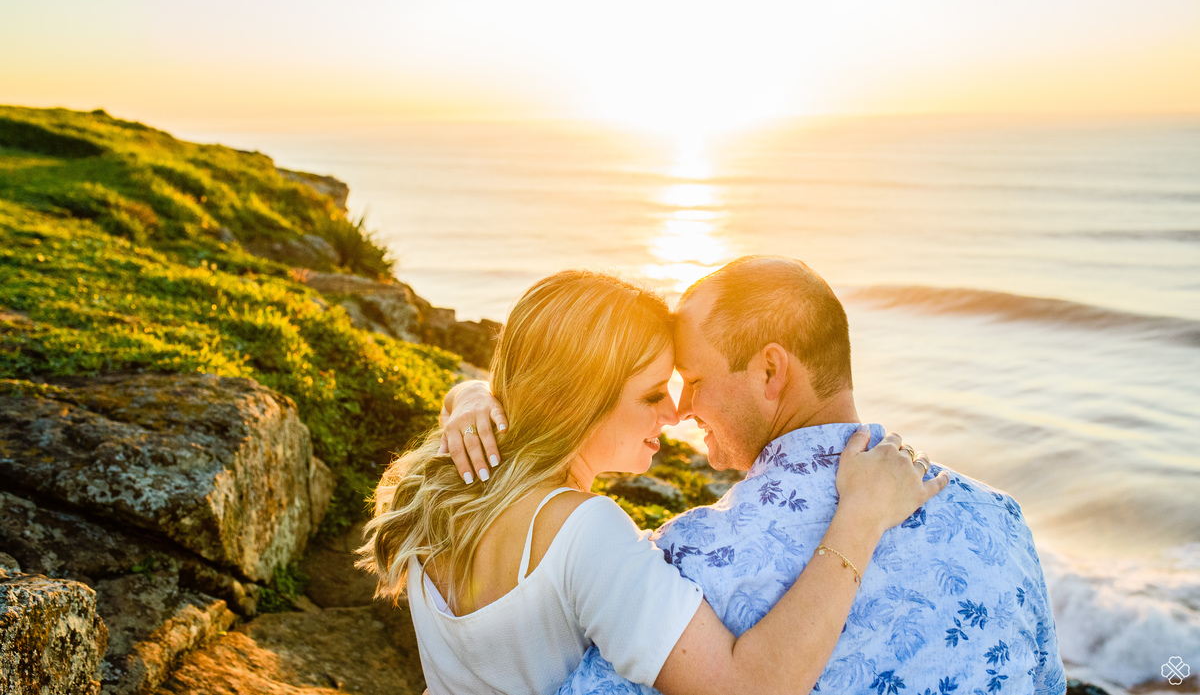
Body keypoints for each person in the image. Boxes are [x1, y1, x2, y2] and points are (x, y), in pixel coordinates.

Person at [447, 257, 1066, 695]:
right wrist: (477, 396)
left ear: (771, 372)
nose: (682, 409)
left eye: (693, 380)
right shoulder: (1000, 516)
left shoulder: (693, 561)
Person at [359, 269, 947, 695]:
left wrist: (470, 396)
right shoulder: (583, 532)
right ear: (578, 403)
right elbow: (746, 688)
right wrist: (861, 517)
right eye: (651, 395)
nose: (673, 414)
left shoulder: (431, 483)